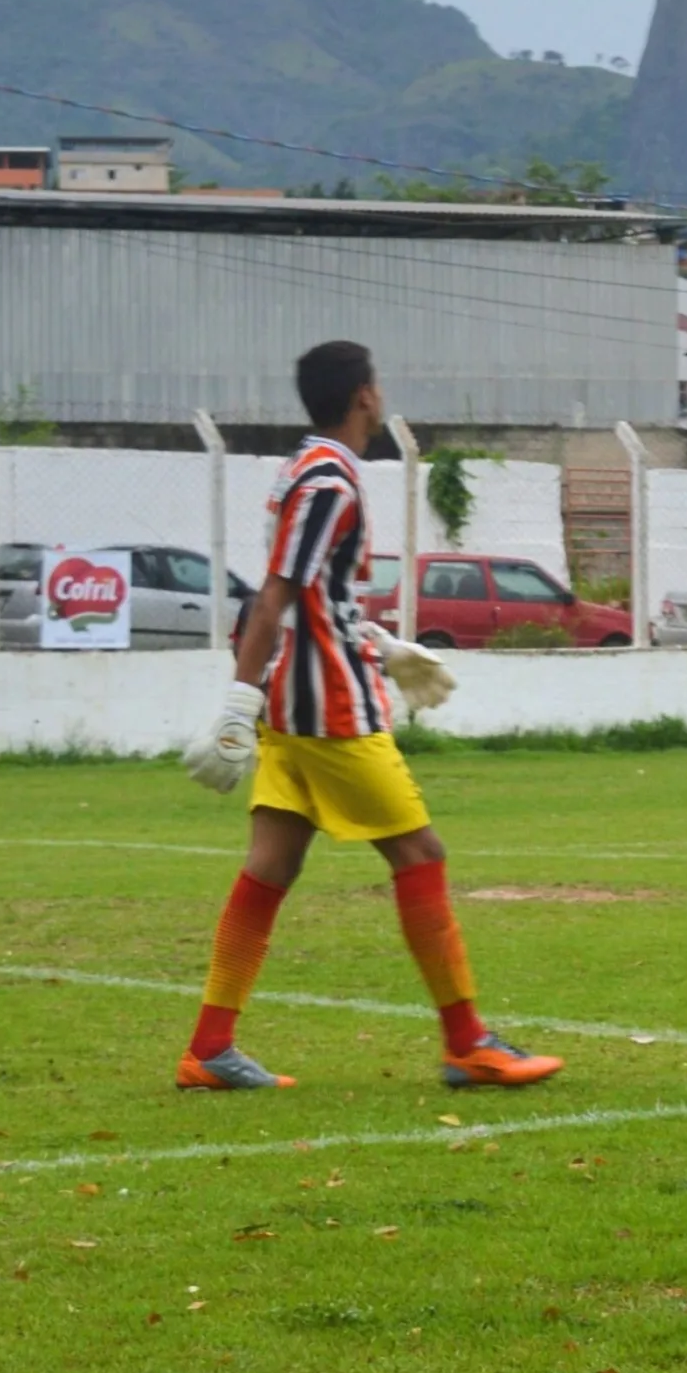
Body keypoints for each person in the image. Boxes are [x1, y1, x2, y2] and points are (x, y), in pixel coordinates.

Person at [174, 339, 562, 1092]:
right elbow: (276, 596)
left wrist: (379, 643)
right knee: (421, 855)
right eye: (377, 385)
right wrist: (235, 700)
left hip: (298, 703)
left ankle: (209, 1048)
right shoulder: (330, 479)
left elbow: (312, 596)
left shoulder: (305, 469)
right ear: (363, 396)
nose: (381, 396)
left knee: (272, 865)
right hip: (329, 714)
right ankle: (466, 1042)